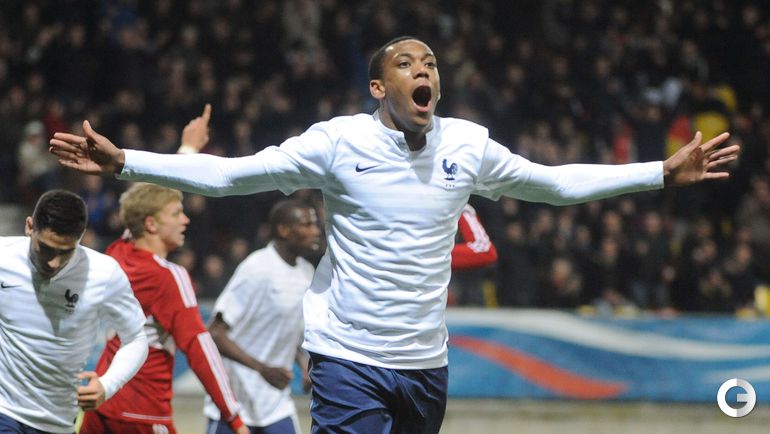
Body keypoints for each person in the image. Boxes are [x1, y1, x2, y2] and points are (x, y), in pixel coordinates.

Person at [50, 36, 740, 433]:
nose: (423, 70)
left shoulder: (467, 146)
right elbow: (233, 175)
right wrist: (125, 161)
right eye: (407, 64)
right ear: (379, 88)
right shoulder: (337, 142)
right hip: (347, 357)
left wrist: (659, 173)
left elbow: (554, 183)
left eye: (430, 63)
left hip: (425, 365)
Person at [78, 183, 247, 434]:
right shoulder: (168, 277)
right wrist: (234, 418)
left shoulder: (117, 254)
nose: (185, 220)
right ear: (151, 224)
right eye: (176, 213)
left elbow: (133, 217)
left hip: (103, 402)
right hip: (144, 412)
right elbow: (199, 347)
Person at [0, 189, 147, 434]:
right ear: (29, 227)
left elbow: (136, 338)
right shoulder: (4, 257)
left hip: (59, 421)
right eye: (46, 249)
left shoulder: (104, 274)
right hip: (4, 411)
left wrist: (108, 385)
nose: (54, 262)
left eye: (65, 252)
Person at [205, 199, 320, 434]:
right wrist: (262, 369)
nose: (315, 231)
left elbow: (289, 330)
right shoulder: (257, 268)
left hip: (276, 403)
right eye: (307, 225)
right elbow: (215, 333)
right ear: (284, 230)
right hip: (235, 403)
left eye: (315, 224)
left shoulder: (306, 272)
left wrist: (303, 364)